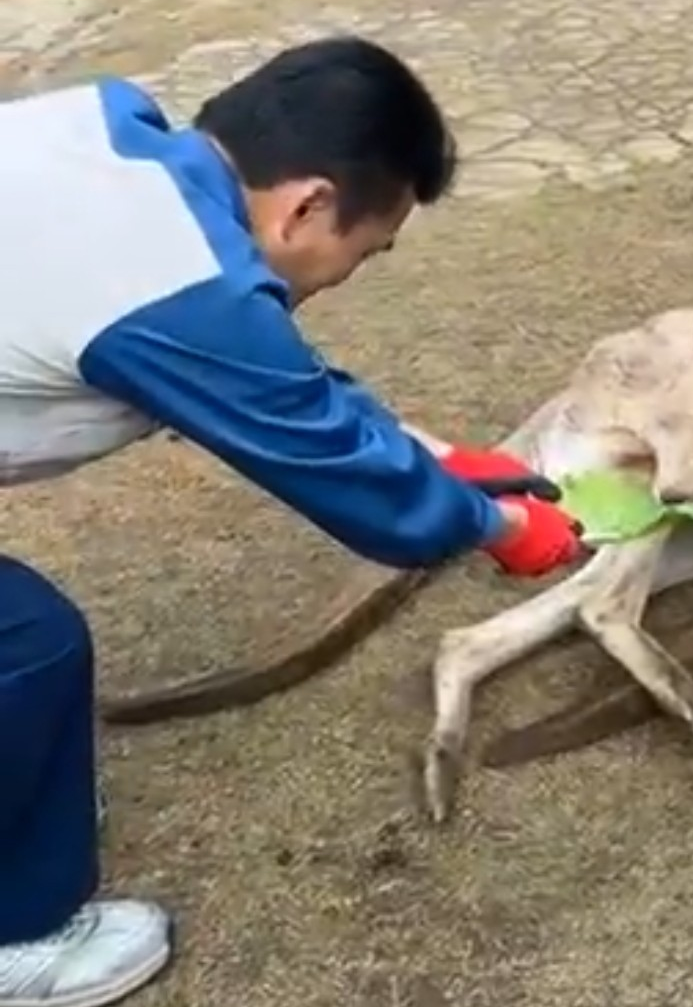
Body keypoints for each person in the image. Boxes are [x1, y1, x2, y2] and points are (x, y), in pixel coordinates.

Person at [0, 34, 583, 1007]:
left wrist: (438, 456)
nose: (348, 275)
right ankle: (20, 937)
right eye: (366, 249)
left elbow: (278, 386)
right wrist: (494, 524)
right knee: (26, 645)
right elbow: (350, 480)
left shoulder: (106, 124)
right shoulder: (177, 290)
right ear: (308, 203)